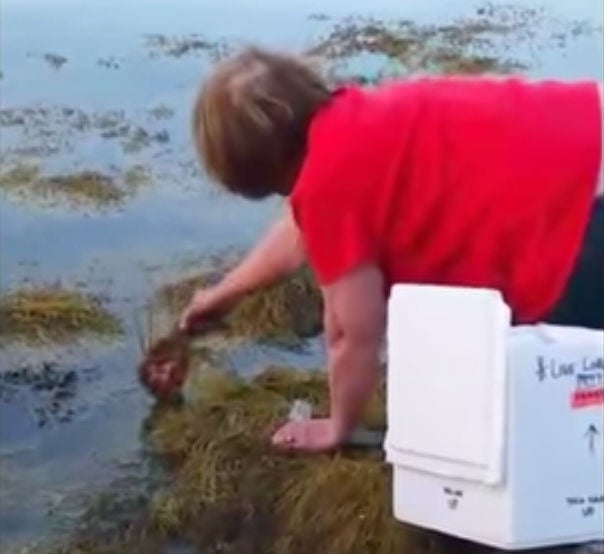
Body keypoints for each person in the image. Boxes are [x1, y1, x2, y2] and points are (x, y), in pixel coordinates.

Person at [179, 47, 603, 453]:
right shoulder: (356, 118)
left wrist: (338, 426)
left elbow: (354, 332)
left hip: (584, 213)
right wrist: (224, 293)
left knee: (551, 389)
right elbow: (300, 228)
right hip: (588, 123)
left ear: (261, 174)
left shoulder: (329, 188)